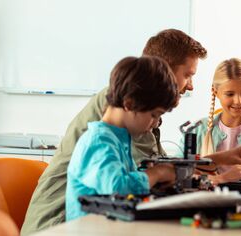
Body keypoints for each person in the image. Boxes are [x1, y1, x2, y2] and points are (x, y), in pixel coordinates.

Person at [20, 30, 241, 236]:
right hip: (58, 229)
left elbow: (162, 169)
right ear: (162, 68)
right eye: (188, 74)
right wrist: (219, 179)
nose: (191, 85)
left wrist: (216, 160)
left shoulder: (135, 107)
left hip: (98, 227)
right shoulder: (123, 109)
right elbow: (148, 178)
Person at [66, 56, 179, 221]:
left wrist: (152, 178)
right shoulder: (98, 141)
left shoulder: (118, 140)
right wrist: (157, 173)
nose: (155, 124)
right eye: (154, 115)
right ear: (130, 104)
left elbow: (124, 179)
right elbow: (117, 187)